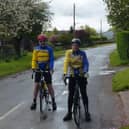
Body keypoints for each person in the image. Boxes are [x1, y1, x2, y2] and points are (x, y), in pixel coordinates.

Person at [63, 38, 91, 121]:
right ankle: (69, 113)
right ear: (71, 46)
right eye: (73, 45)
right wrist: (65, 73)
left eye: (76, 45)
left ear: (79, 46)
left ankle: (86, 112)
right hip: (72, 75)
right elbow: (66, 63)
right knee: (71, 94)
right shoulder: (68, 53)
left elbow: (86, 63)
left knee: (83, 93)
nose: (75, 46)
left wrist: (85, 71)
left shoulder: (82, 53)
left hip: (81, 74)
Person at [30, 34, 57, 111]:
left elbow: (51, 59)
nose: (42, 42)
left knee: (49, 85)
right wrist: (33, 67)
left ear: (46, 41)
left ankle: (53, 101)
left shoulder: (49, 49)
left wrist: (51, 68)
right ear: (38, 42)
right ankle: (34, 102)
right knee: (36, 86)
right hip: (38, 69)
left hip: (47, 69)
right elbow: (34, 60)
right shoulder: (36, 49)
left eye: (44, 41)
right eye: (40, 41)